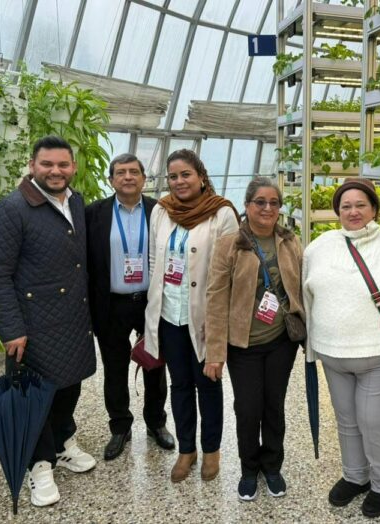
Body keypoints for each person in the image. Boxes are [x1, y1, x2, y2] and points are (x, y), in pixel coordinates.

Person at [0, 135, 97, 508]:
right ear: (33, 166)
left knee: (69, 387)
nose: (55, 171)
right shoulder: (11, 209)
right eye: (47, 164)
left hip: (73, 318)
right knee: (36, 395)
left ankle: (62, 443)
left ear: (73, 167)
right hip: (33, 325)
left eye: (63, 164)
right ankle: (39, 464)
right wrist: (12, 328)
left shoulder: (75, 202)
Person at [302, 178, 380, 518]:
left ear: (375, 209)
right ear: (337, 211)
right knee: (347, 420)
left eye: (361, 205)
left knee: (374, 422)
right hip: (332, 354)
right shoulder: (317, 248)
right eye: (346, 206)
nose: (353, 212)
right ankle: (355, 476)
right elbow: (308, 298)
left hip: (378, 356)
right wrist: (312, 347)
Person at [143, 149, 239, 483]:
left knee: (208, 383)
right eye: (173, 176)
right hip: (169, 315)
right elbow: (154, 260)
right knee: (180, 384)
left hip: (205, 316)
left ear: (201, 177)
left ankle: (211, 450)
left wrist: (220, 323)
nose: (179, 181)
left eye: (186, 174)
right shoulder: (161, 211)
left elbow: (229, 271)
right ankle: (187, 450)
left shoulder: (221, 213)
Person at [205, 177, 304, 501]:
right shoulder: (230, 244)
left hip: (281, 341)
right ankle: (249, 469)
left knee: (274, 406)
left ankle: (272, 467)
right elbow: (216, 298)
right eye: (260, 202)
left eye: (274, 202)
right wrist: (215, 352)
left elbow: (302, 288)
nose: (267, 208)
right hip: (243, 345)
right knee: (248, 409)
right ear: (247, 206)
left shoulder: (289, 241)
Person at [85, 153, 174, 461]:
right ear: (111, 180)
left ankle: (156, 423)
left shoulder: (160, 211)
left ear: (144, 179)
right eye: (121, 172)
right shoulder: (94, 213)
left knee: (155, 365)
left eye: (134, 172)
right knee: (114, 368)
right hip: (111, 304)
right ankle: (120, 426)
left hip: (150, 301)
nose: (127, 177)